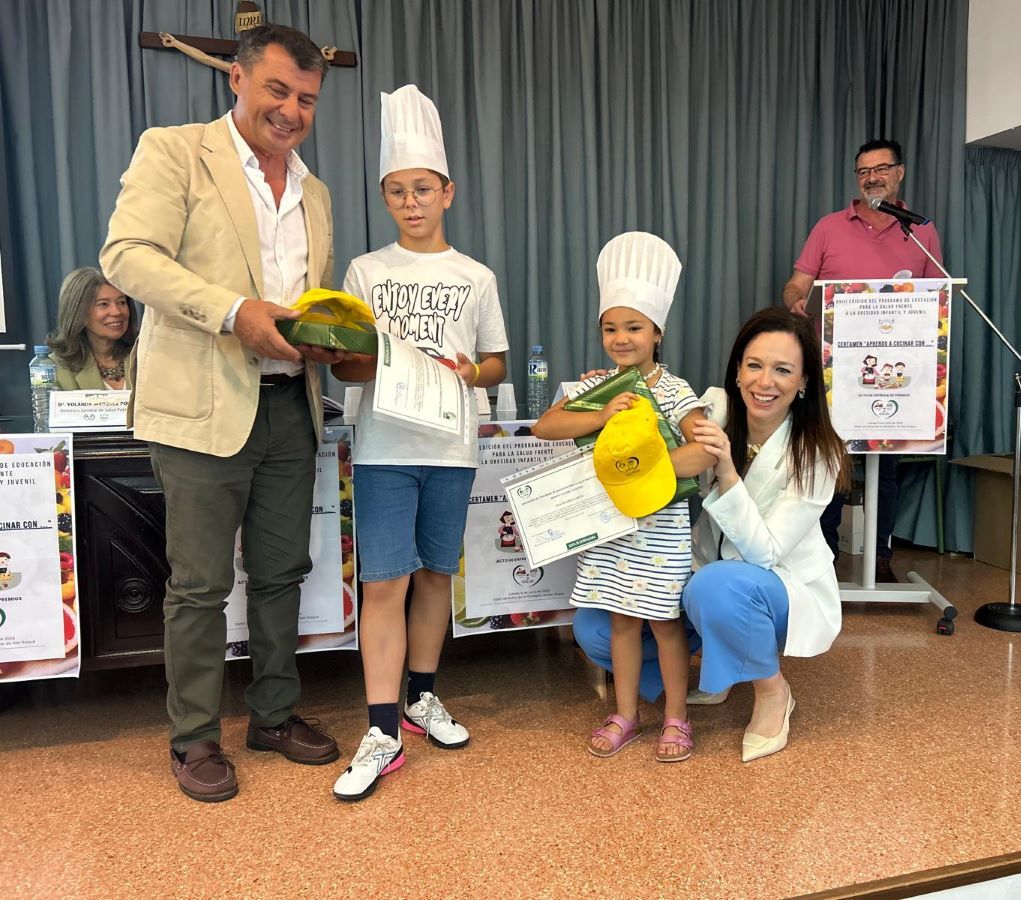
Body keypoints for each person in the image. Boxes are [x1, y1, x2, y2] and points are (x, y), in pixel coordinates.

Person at [99, 24, 343, 803]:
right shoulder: (174, 150)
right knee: (200, 585)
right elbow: (128, 255)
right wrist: (235, 310)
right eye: (277, 89)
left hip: (290, 406)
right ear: (236, 79)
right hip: (200, 408)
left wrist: (323, 335)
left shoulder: (316, 190)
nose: (291, 110)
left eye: (306, 98)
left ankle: (272, 714)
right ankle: (194, 739)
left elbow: (302, 304)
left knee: (281, 575)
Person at [330, 85, 509, 802]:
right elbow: (343, 362)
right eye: (397, 191)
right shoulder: (365, 273)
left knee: (436, 575)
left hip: (451, 448)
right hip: (382, 445)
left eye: (423, 189)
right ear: (385, 196)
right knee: (384, 583)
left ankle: (421, 700)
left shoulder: (476, 277)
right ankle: (380, 729)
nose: (411, 202)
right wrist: (386, 363)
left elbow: (494, 359)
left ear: (448, 192)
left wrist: (470, 372)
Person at [575, 307, 849, 763]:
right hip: (698, 581)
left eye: (783, 370)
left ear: (803, 382)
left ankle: (772, 691)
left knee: (717, 585)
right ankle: (712, 678)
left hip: (775, 587)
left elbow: (764, 553)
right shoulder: (713, 411)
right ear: (737, 370)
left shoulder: (816, 451)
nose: (765, 382)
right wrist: (610, 388)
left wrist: (726, 470)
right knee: (595, 626)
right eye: (754, 365)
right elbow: (648, 443)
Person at [535, 231, 711, 763]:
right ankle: (627, 714)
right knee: (619, 620)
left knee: (665, 621)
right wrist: (600, 412)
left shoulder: (676, 389)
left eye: (633, 327)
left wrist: (644, 475)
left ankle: (677, 717)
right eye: (610, 328)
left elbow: (703, 448)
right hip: (612, 528)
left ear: (657, 332)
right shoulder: (601, 386)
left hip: (659, 527)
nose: (620, 337)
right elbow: (546, 426)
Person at [781, 139, 943, 582]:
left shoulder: (921, 231)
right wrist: (796, 301)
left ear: (900, 173)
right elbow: (797, 284)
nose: (872, 177)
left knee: (885, 465)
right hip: (835, 370)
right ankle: (825, 557)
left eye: (881, 168)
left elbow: (937, 297)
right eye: (863, 171)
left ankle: (881, 555)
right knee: (831, 463)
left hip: (898, 375)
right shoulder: (830, 227)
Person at [46, 267, 139, 390]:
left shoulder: (145, 356)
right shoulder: (53, 369)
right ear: (77, 311)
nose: (116, 312)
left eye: (121, 302)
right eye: (103, 304)